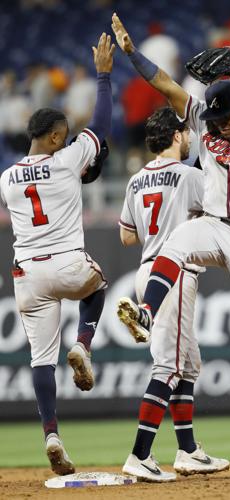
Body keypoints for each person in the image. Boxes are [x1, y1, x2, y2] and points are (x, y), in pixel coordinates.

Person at [112, 13, 230, 461]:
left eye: (222, 117)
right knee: (176, 243)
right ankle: (147, 311)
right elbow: (168, 87)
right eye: (210, 119)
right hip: (213, 224)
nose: (214, 126)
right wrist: (133, 54)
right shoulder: (208, 120)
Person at [0, 33, 114, 475]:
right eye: (63, 136)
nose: (68, 142)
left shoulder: (8, 177)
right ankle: (84, 345)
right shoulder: (66, 160)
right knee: (99, 284)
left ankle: (51, 433)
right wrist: (103, 75)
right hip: (68, 263)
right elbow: (101, 129)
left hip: (27, 274)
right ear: (52, 137)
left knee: (40, 359)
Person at [118, 106, 230, 481]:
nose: (189, 138)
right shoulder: (187, 175)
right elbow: (219, 213)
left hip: (145, 270)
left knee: (188, 363)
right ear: (178, 136)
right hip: (174, 274)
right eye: (186, 133)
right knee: (168, 366)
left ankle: (187, 451)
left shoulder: (135, 181)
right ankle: (140, 455)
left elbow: (126, 235)